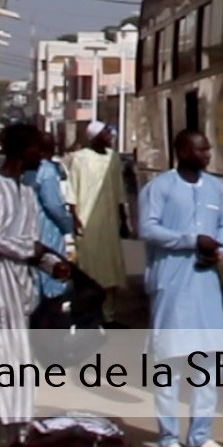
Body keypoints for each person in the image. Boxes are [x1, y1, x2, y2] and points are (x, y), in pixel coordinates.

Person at [0, 123, 72, 447]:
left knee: (18, 372)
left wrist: (51, 264)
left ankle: (17, 440)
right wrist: (32, 249)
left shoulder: (26, 192)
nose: (41, 156)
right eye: (36, 149)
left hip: (20, 294)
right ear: (18, 150)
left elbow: (33, 247)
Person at [138, 128, 223, 447]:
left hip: (206, 284)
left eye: (208, 149)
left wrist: (218, 250)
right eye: (200, 149)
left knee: (207, 361)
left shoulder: (214, 186)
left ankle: (201, 435)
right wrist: (192, 240)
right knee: (170, 362)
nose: (207, 155)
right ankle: (168, 438)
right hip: (172, 284)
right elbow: (148, 228)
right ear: (181, 151)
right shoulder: (160, 187)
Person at [68, 120, 127, 320]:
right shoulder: (80, 159)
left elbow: (119, 191)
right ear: (94, 136)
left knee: (111, 268)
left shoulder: (114, 158)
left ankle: (108, 315)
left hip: (110, 222)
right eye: (105, 132)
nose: (109, 135)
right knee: (90, 269)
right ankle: (89, 315)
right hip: (87, 221)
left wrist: (123, 217)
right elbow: (72, 192)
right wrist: (75, 219)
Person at [30, 146, 77, 301]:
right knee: (50, 276)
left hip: (30, 229)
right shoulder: (47, 171)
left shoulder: (27, 171)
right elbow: (53, 205)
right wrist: (68, 225)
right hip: (47, 229)